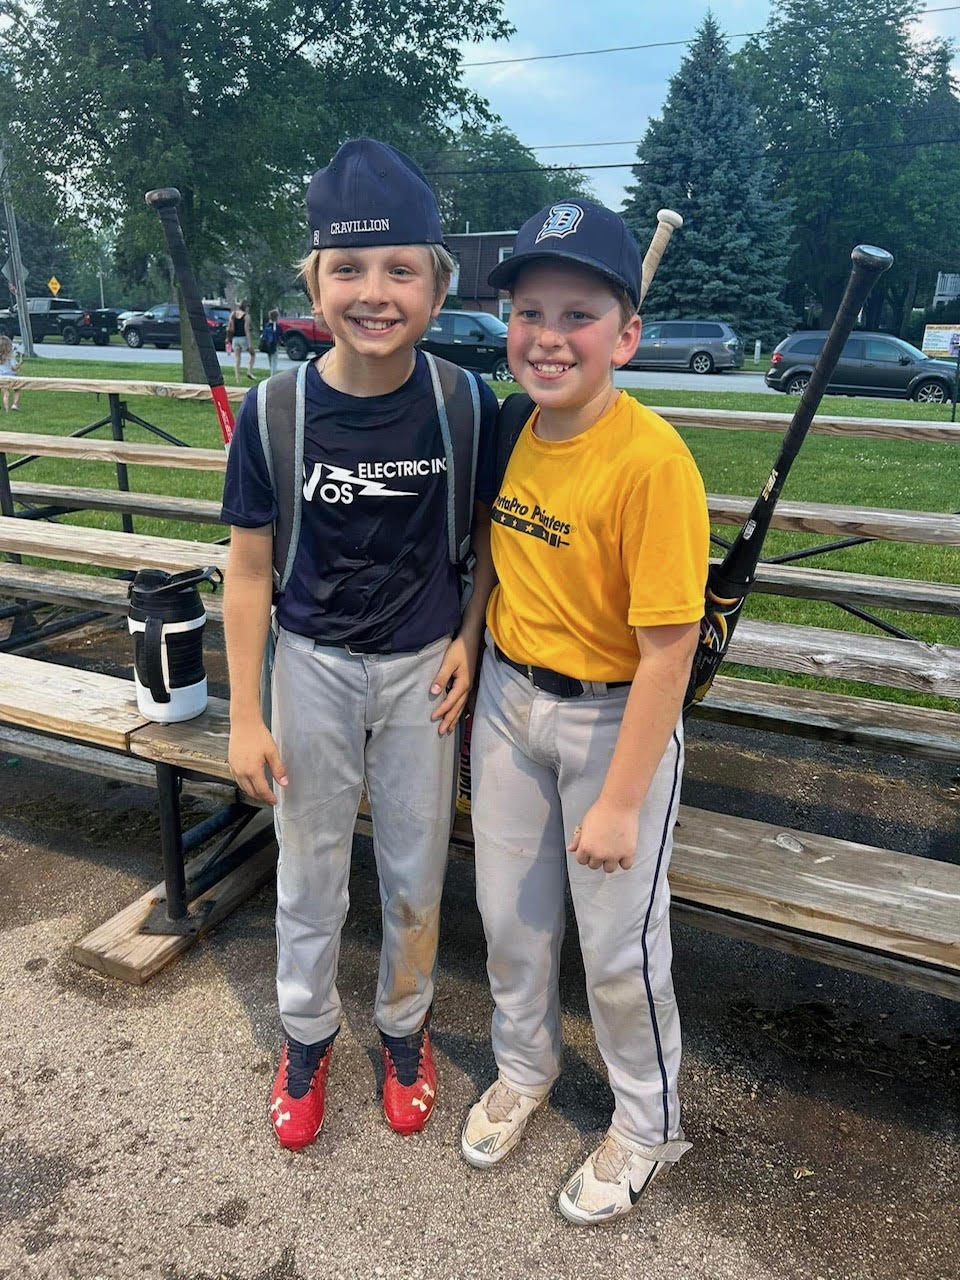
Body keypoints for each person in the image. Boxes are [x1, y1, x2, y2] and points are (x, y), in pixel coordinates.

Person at [220, 138, 498, 1150]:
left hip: (424, 670)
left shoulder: (464, 404)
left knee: (418, 869)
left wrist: (467, 637)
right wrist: (246, 711)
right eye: (349, 269)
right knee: (310, 865)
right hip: (314, 667)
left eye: (400, 270)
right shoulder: (277, 408)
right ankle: (305, 1033)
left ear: (435, 282)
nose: (374, 293)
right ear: (315, 281)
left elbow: (484, 545)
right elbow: (249, 568)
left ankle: (405, 1026)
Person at [460, 199, 710, 1226]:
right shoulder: (511, 423)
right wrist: (466, 647)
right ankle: (525, 1067)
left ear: (628, 333)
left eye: (579, 313)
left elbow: (669, 651)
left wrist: (618, 799)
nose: (549, 336)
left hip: (615, 722)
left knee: (616, 947)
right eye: (529, 311)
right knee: (509, 917)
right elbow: (490, 551)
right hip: (510, 699)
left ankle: (647, 1123)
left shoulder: (652, 462)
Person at [227, 300, 255, 381]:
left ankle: (237, 379)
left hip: (235, 339)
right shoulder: (246, 316)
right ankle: (249, 371)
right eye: (248, 307)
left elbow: (230, 326)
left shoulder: (233, 314)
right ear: (245, 307)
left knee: (237, 358)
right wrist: (250, 344)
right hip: (243, 338)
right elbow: (247, 330)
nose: (248, 309)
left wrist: (228, 338)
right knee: (253, 355)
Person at [0, 336, 22, 411]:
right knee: (17, 389)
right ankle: (15, 404)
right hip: (11, 377)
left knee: (6, 393)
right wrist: (20, 363)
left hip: (1, 377)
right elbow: (14, 368)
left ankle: (6, 410)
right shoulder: (10, 356)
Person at [260, 307, 283, 375]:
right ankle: (272, 375)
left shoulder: (267, 326)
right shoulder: (277, 327)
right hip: (274, 345)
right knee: (274, 362)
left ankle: (271, 373)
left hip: (267, 345)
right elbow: (281, 336)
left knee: (270, 361)